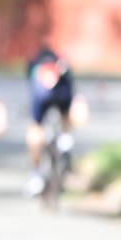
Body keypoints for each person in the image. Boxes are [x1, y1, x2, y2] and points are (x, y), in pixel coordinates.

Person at [24, 43, 74, 197]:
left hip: (50, 96)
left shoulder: (39, 68)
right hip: (54, 96)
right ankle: (65, 142)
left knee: (37, 128)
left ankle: (37, 174)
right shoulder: (56, 70)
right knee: (40, 130)